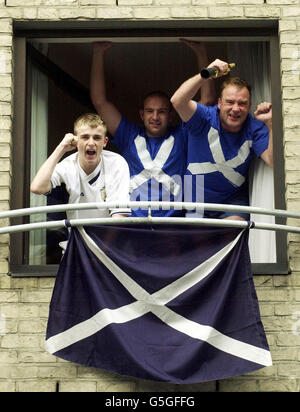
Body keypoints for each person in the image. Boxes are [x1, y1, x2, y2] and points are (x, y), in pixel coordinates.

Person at [90, 40, 216, 217]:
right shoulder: (128, 134)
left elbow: (207, 100)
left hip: (171, 227)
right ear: (142, 114)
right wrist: (98, 53)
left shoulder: (183, 135)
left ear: (171, 114)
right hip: (133, 225)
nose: (155, 117)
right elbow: (99, 102)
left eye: (161, 111)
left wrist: (202, 53)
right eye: (150, 111)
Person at [171, 58, 273, 221]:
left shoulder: (255, 127)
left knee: (234, 230)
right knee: (199, 241)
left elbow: (273, 161)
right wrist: (205, 74)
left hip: (232, 197)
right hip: (194, 193)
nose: (235, 109)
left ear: (249, 105)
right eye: (230, 102)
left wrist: (270, 124)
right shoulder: (204, 118)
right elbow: (177, 101)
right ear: (219, 103)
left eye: (242, 103)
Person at [30, 113, 131, 220]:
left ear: (105, 142)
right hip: (77, 234)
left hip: (107, 232)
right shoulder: (68, 165)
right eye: (85, 137)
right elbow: (37, 187)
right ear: (76, 140)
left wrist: (105, 238)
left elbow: (119, 216)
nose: (91, 143)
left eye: (96, 138)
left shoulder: (116, 163)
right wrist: (62, 147)